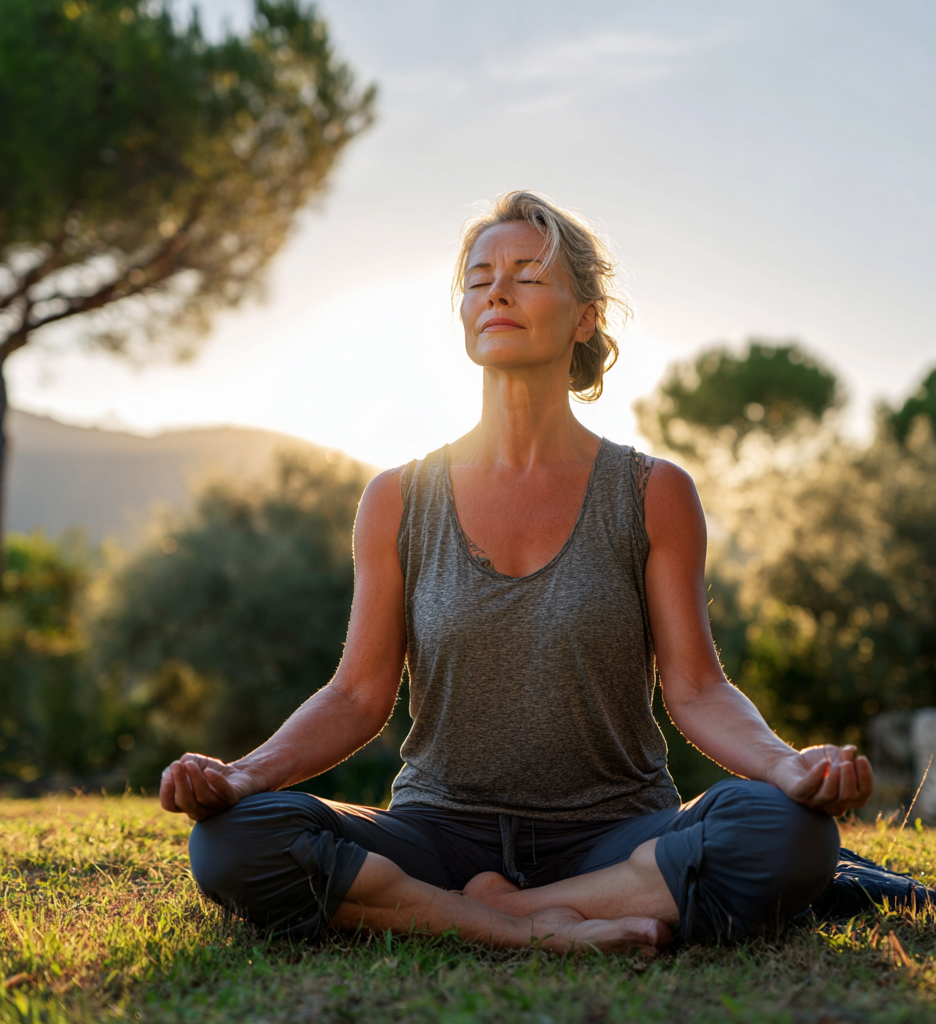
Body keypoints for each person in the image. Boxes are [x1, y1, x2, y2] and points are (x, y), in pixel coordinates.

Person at [161, 191, 877, 954]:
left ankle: (482, 913)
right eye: (478, 279)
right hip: (439, 831)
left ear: (585, 316)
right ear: (465, 313)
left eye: (529, 276)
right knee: (232, 843)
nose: (496, 290)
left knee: (782, 831)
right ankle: (537, 929)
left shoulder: (651, 492)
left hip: (615, 830)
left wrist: (786, 767)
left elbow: (697, 689)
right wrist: (242, 777)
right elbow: (356, 695)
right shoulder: (398, 498)